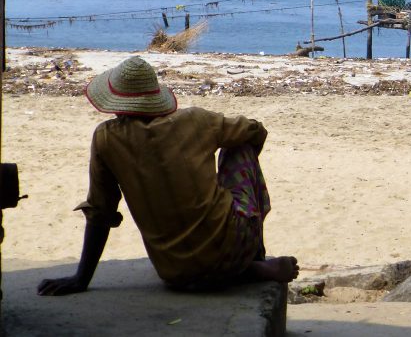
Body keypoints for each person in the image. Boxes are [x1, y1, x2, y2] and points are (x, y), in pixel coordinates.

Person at [38, 56, 298, 295]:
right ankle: (254, 257)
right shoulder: (196, 120)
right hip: (234, 245)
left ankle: (247, 267)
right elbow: (256, 131)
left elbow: (100, 212)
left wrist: (80, 279)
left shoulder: (106, 138)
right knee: (239, 147)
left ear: (116, 103)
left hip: (175, 271)